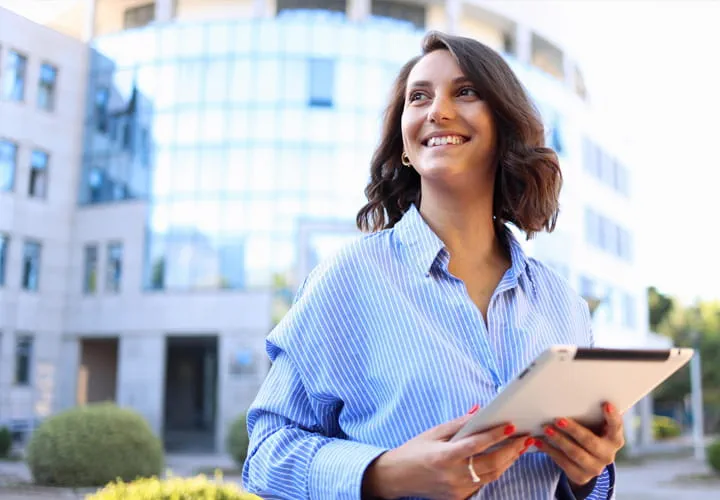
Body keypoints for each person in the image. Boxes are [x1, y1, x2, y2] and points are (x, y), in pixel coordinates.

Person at [242, 31, 624, 500]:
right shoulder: (348, 280)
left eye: (464, 92)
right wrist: (387, 472)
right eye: (418, 97)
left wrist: (588, 474)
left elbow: (583, 482)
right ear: (404, 142)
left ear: (503, 125)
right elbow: (264, 457)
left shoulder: (563, 304)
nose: (436, 111)